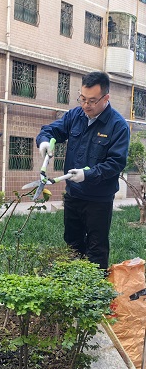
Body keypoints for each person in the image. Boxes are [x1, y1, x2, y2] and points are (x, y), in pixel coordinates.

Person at [36, 71, 129, 272]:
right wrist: (44, 141)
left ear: (106, 98)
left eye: (93, 101)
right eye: (83, 99)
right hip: (74, 195)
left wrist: (87, 174)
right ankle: (73, 292)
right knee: (72, 244)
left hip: (99, 199)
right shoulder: (75, 116)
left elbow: (116, 163)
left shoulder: (118, 126)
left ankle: (94, 298)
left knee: (96, 249)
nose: (86, 105)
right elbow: (51, 130)